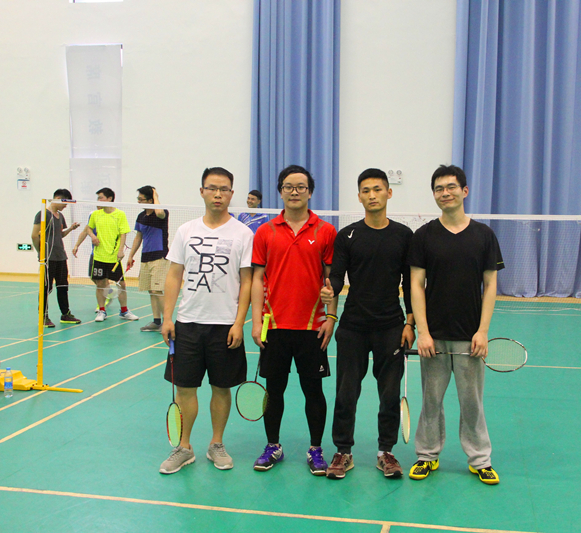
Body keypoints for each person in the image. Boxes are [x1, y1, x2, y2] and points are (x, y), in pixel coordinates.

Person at [407, 164, 504, 485]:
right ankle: (427, 455)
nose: (445, 193)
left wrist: (483, 331)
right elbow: (415, 285)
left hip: (469, 336)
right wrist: (422, 331)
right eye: (439, 188)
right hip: (433, 337)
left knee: (472, 402)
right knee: (431, 401)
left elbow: (490, 285)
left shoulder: (484, 235)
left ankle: (480, 459)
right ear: (434, 194)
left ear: (464, 191)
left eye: (450, 187)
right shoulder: (423, 236)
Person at [320, 168, 415, 479]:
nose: (372, 195)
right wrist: (331, 289)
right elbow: (337, 276)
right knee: (346, 393)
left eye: (377, 189)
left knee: (389, 394)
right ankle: (343, 451)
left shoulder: (403, 236)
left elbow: (410, 283)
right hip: (353, 327)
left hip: (391, 326)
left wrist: (410, 322)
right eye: (365, 190)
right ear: (359, 196)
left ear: (389, 192)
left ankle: (385, 452)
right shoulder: (347, 235)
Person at [158, 167, 254, 475]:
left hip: (225, 325)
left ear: (231, 194)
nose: (218, 194)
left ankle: (216, 444)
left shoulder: (243, 234)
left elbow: (247, 281)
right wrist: (167, 317)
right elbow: (174, 275)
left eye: (224, 189)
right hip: (188, 322)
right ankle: (184, 447)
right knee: (185, 388)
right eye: (212, 188)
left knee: (221, 387)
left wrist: (239, 323)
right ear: (202, 191)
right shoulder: (186, 231)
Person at [250, 165, 337, 476]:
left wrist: (331, 317)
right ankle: (273, 445)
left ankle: (316, 449)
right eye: (289, 186)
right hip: (274, 326)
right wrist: (255, 321)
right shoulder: (265, 231)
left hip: (312, 327)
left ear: (310, 192)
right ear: (280, 191)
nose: (295, 191)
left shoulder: (326, 231)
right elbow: (257, 278)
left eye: (301, 186)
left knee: (313, 391)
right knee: (274, 391)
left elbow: (332, 280)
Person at [72, 188, 139, 322]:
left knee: (121, 284)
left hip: (114, 258)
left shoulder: (120, 214)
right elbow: (88, 228)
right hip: (99, 257)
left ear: (109, 199)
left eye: (101, 198)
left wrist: (121, 250)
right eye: (98, 198)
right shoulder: (96, 214)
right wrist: (92, 236)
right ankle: (101, 311)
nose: (98, 200)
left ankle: (124, 311)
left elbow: (123, 233)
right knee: (100, 284)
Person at [31, 189, 82, 327]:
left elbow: (60, 234)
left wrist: (70, 229)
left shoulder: (60, 216)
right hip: (48, 258)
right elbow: (34, 235)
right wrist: (41, 253)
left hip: (61, 257)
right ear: (58, 198)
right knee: (46, 288)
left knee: (63, 286)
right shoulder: (43, 214)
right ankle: (43, 317)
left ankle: (65, 314)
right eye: (65, 203)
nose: (66, 206)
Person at [127, 186, 170, 332]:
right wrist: (131, 255)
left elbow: (159, 212)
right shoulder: (141, 216)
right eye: (138, 199)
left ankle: (167, 322)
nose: (139, 202)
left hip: (159, 256)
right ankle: (157, 322)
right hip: (145, 257)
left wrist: (156, 196)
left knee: (157, 290)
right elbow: (138, 237)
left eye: (141, 199)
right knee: (151, 290)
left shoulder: (162, 213)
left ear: (151, 200)